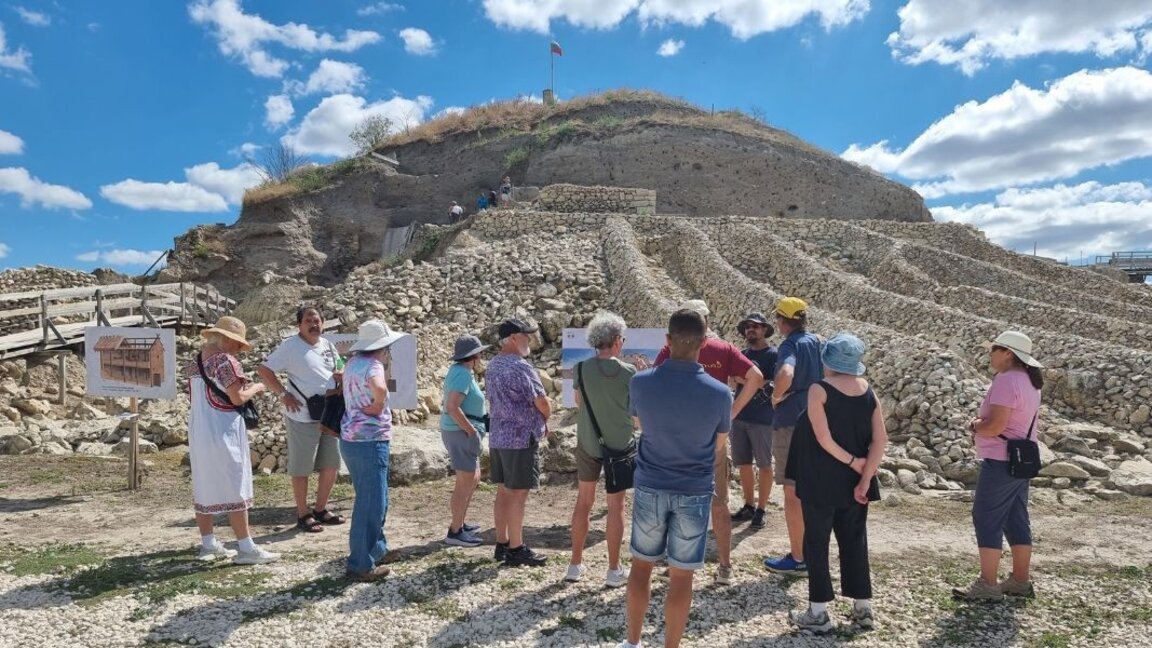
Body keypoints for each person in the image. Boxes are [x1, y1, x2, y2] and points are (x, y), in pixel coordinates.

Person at [618, 309, 732, 648]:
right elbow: (720, 444)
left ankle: (633, 642)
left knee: (641, 567)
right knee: (682, 577)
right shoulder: (720, 393)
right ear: (705, 343)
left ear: (667, 340)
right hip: (695, 490)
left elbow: (639, 425)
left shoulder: (640, 381)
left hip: (652, 483)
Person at [653, 299, 764, 585]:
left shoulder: (670, 350)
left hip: (678, 439)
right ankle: (725, 568)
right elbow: (756, 377)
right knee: (719, 505)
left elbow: (656, 385)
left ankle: (676, 564)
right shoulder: (723, 349)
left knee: (678, 503)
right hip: (715, 437)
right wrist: (732, 412)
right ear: (707, 324)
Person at [785, 333, 887, 632]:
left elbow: (824, 438)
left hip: (821, 478)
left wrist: (852, 462)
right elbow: (881, 439)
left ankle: (818, 613)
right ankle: (862, 607)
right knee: (855, 539)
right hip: (857, 480)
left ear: (827, 360)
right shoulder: (869, 391)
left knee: (816, 541)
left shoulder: (819, 390)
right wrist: (865, 475)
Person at [953, 331, 1043, 601]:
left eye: (994, 349)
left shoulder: (1006, 381)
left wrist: (975, 425)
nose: (989, 354)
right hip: (1021, 460)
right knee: (1016, 518)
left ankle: (988, 584)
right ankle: (1019, 580)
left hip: (1001, 459)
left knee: (987, 517)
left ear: (1008, 353)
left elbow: (995, 426)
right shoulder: (1030, 381)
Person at [187, 316, 280, 565]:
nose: (240, 349)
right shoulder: (226, 361)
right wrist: (258, 388)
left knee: (204, 483)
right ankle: (246, 546)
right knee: (235, 482)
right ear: (227, 339)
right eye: (238, 344)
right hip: (223, 428)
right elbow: (237, 398)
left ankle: (208, 543)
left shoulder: (195, 362)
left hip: (199, 430)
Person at [256, 307, 345, 534]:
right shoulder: (290, 346)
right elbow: (264, 370)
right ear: (299, 325)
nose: (314, 324)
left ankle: (321, 509)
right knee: (302, 466)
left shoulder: (327, 345)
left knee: (331, 464)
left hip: (330, 413)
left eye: (317, 320)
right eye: (308, 320)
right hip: (303, 415)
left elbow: (337, 367)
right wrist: (282, 394)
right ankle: (303, 513)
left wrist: (340, 375)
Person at [566, 312, 637, 587]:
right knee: (616, 506)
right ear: (617, 341)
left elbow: (579, 401)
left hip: (588, 442)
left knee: (584, 502)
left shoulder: (582, 369)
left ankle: (574, 565)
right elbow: (634, 410)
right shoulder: (629, 372)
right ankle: (613, 569)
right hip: (619, 443)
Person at [339, 319, 405, 582]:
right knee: (371, 503)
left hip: (352, 439)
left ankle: (376, 549)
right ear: (383, 346)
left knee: (375, 498)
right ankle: (360, 563)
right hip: (370, 440)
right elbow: (379, 388)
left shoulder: (352, 363)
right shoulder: (374, 365)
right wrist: (379, 404)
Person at [764, 297, 823, 576]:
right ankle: (812, 553)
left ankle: (798, 557)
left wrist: (776, 396)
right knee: (811, 490)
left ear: (782, 321)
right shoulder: (816, 342)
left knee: (792, 492)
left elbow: (786, 372)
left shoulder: (790, 345)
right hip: (815, 418)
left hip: (791, 421)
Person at [487, 318, 551, 567]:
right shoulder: (521, 367)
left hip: (499, 436)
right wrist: (547, 416)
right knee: (518, 493)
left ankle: (502, 543)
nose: (531, 340)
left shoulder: (493, 365)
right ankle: (516, 547)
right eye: (526, 336)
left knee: (503, 490)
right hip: (520, 438)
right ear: (514, 338)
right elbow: (542, 402)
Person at [440, 334, 490, 547]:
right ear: (474, 355)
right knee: (465, 482)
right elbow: (452, 407)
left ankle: (459, 523)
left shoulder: (461, 372)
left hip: (461, 431)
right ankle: (455, 531)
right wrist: (470, 431)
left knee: (473, 478)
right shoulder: (462, 374)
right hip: (461, 432)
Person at [729, 312, 778, 530]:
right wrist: (757, 381)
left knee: (765, 464)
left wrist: (749, 380)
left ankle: (761, 508)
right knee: (744, 464)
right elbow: (733, 380)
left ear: (765, 330)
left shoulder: (774, 355)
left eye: (756, 326)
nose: (751, 329)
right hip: (739, 417)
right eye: (748, 326)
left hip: (763, 419)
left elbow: (776, 383)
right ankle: (748, 505)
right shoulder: (742, 354)